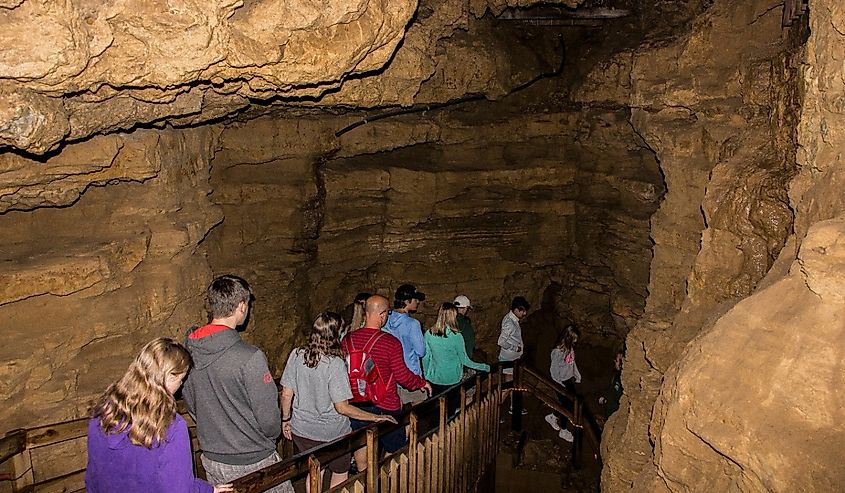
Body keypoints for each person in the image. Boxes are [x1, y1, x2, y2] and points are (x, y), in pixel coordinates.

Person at [182, 275, 292, 493]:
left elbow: (192, 406)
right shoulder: (249, 357)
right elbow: (269, 420)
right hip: (253, 458)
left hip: (212, 458)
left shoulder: (188, 352)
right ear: (241, 306)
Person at [85, 338, 233, 493]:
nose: (181, 385)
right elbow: (180, 489)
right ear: (169, 377)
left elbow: (93, 475)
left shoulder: (103, 412)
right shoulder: (171, 427)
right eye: (181, 379)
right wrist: (206, 490)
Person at [280, 312, 396, 492]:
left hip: (302, 430)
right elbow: (342, 407)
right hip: (331, 434)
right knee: (340, 472)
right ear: (336, 334)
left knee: (315, 471)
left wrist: (286, 420)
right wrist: (375, 417)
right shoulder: (334, 363)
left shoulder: (296, 354)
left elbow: (286, 394)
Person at [342, 295, 431, 471]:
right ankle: (385, 477)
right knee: (395, 448)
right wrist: (421, 383)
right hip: (386, 404)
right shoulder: (390, 342)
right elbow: (403, 376)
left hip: (357, 403)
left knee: (361, 447)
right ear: (382, 315)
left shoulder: (348, 340)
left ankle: (365, 482)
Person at [422, 302, 490, 416]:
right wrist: (484, 366)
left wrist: (426, 375)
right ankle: (447, 432)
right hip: (452, 379)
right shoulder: (456, 336)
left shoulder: (429, 334)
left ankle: (433, 432)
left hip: (435, 378)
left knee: (435, 411)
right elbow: (465, 360)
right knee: (450, 410)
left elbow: (426, 357)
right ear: (453, 316)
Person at [384, 284, 427, 405]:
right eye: (415, 299)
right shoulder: (413, 324)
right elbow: (421, 351)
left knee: (397, 413)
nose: (418, 302)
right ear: (407, 301)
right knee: (416, 412)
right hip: (410, 374)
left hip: (392, 375)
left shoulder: (386, 319)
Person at [545, 325, 581, 442]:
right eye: (574, 339)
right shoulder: (557, 352)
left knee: (569, 403)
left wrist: (577, 374)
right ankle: (563, 430)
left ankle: (553, 417)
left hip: (568, 379)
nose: (575, 341)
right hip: (559, 381)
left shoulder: (570, 348)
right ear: (568, 338)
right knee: (568, 405)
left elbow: (572, 362)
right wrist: (560, 385)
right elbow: (553, 370)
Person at [599, 348, 624, 420]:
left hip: (615, 414)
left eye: (617, 361)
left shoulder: (622, 379)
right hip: (609, 411)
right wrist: (605, 398)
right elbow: (612, 390)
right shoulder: (616, 375)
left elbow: (618, 396)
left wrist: (607, 400)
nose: (615, 362)